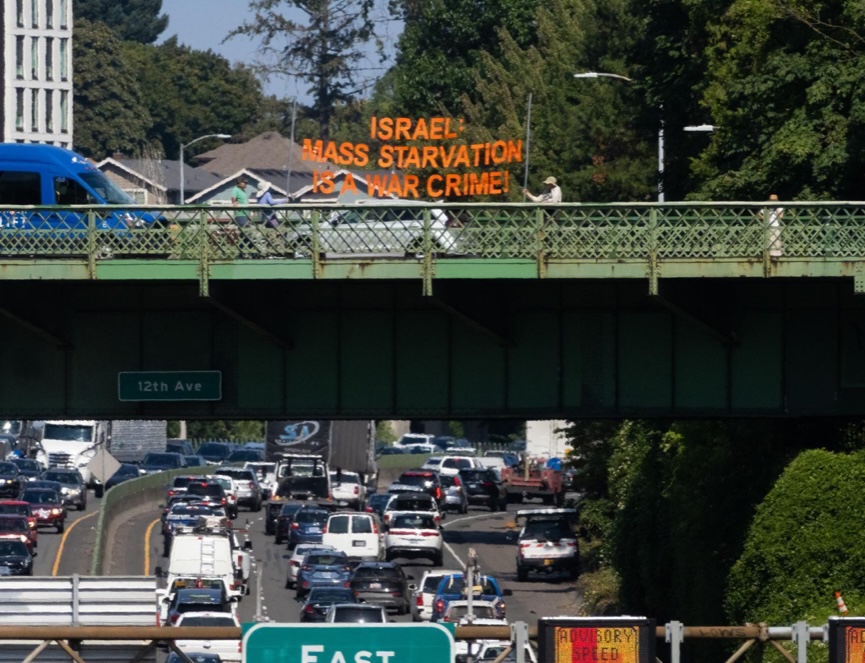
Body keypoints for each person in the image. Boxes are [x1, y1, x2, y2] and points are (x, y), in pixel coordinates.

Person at [761, 193, 784, 258]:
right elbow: (760, 214)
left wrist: (777, 211)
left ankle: (775, 255)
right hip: (767, 225)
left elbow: (781, 216)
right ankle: (768, 254)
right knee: (768, 240)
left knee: (776, 240)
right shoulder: (766, 206)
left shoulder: (779, 207)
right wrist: (764, 218)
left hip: (775, 225)